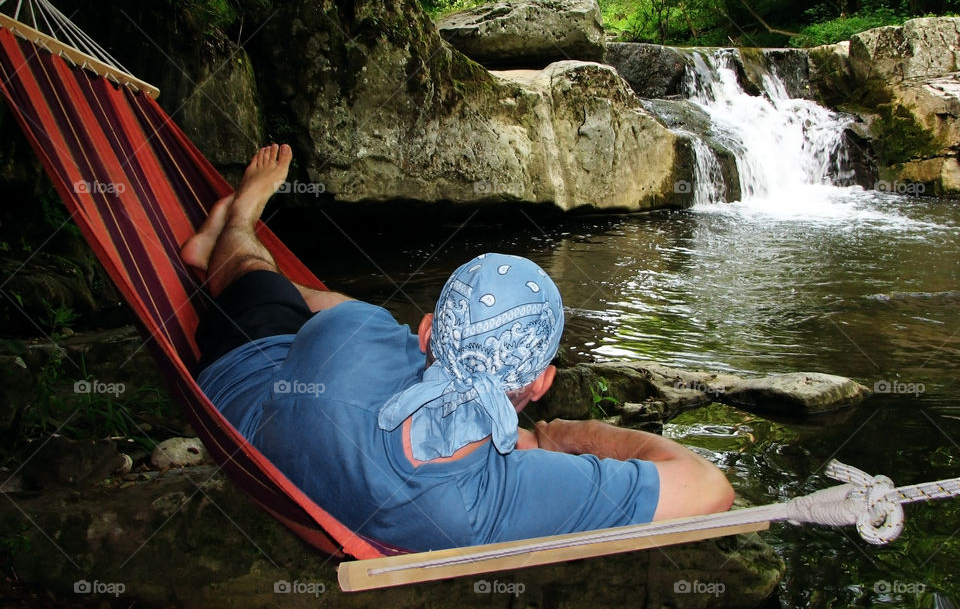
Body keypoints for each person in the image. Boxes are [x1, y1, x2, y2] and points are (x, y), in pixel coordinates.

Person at [182, 144, 734, 552]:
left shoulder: (358, 334)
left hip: (241, 388)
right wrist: (554, 435)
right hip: (285, 416)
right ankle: (244, 237)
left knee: (252, 273)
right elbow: (709, 489)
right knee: (296, 295)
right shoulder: (500, 498)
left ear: (426, 334)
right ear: (542, 383)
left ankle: (237, 225)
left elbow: (335, 313)